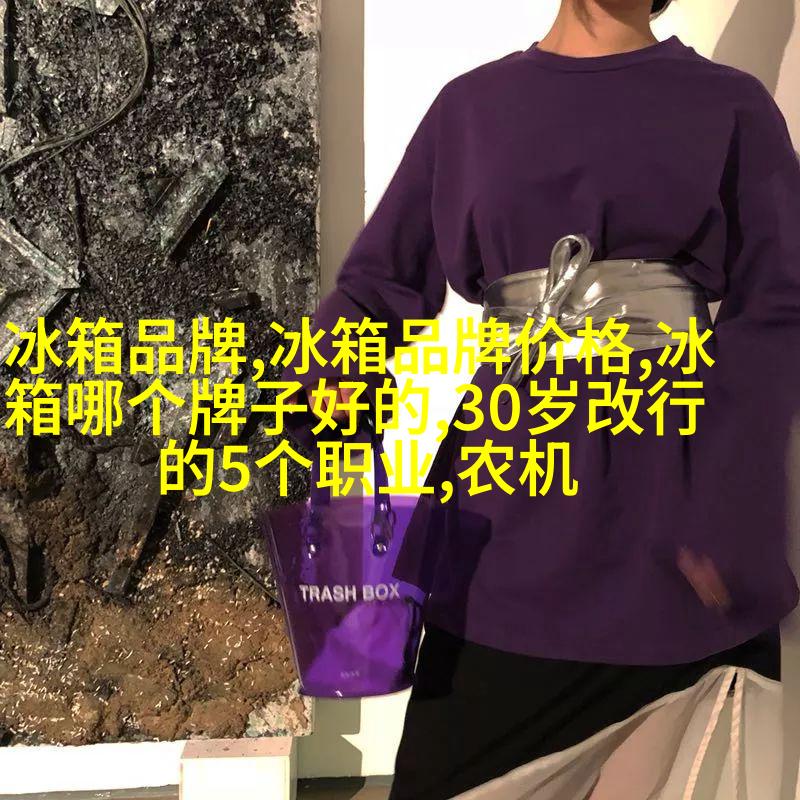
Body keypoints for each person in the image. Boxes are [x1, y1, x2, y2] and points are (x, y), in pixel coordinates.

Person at [282, 0, 800, 797]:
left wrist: (728, 499)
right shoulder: (471, 107)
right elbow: (378, 286)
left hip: (677, 535)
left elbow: (779, 308)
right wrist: (324, 390)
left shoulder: (732, 106)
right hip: (506, 525)